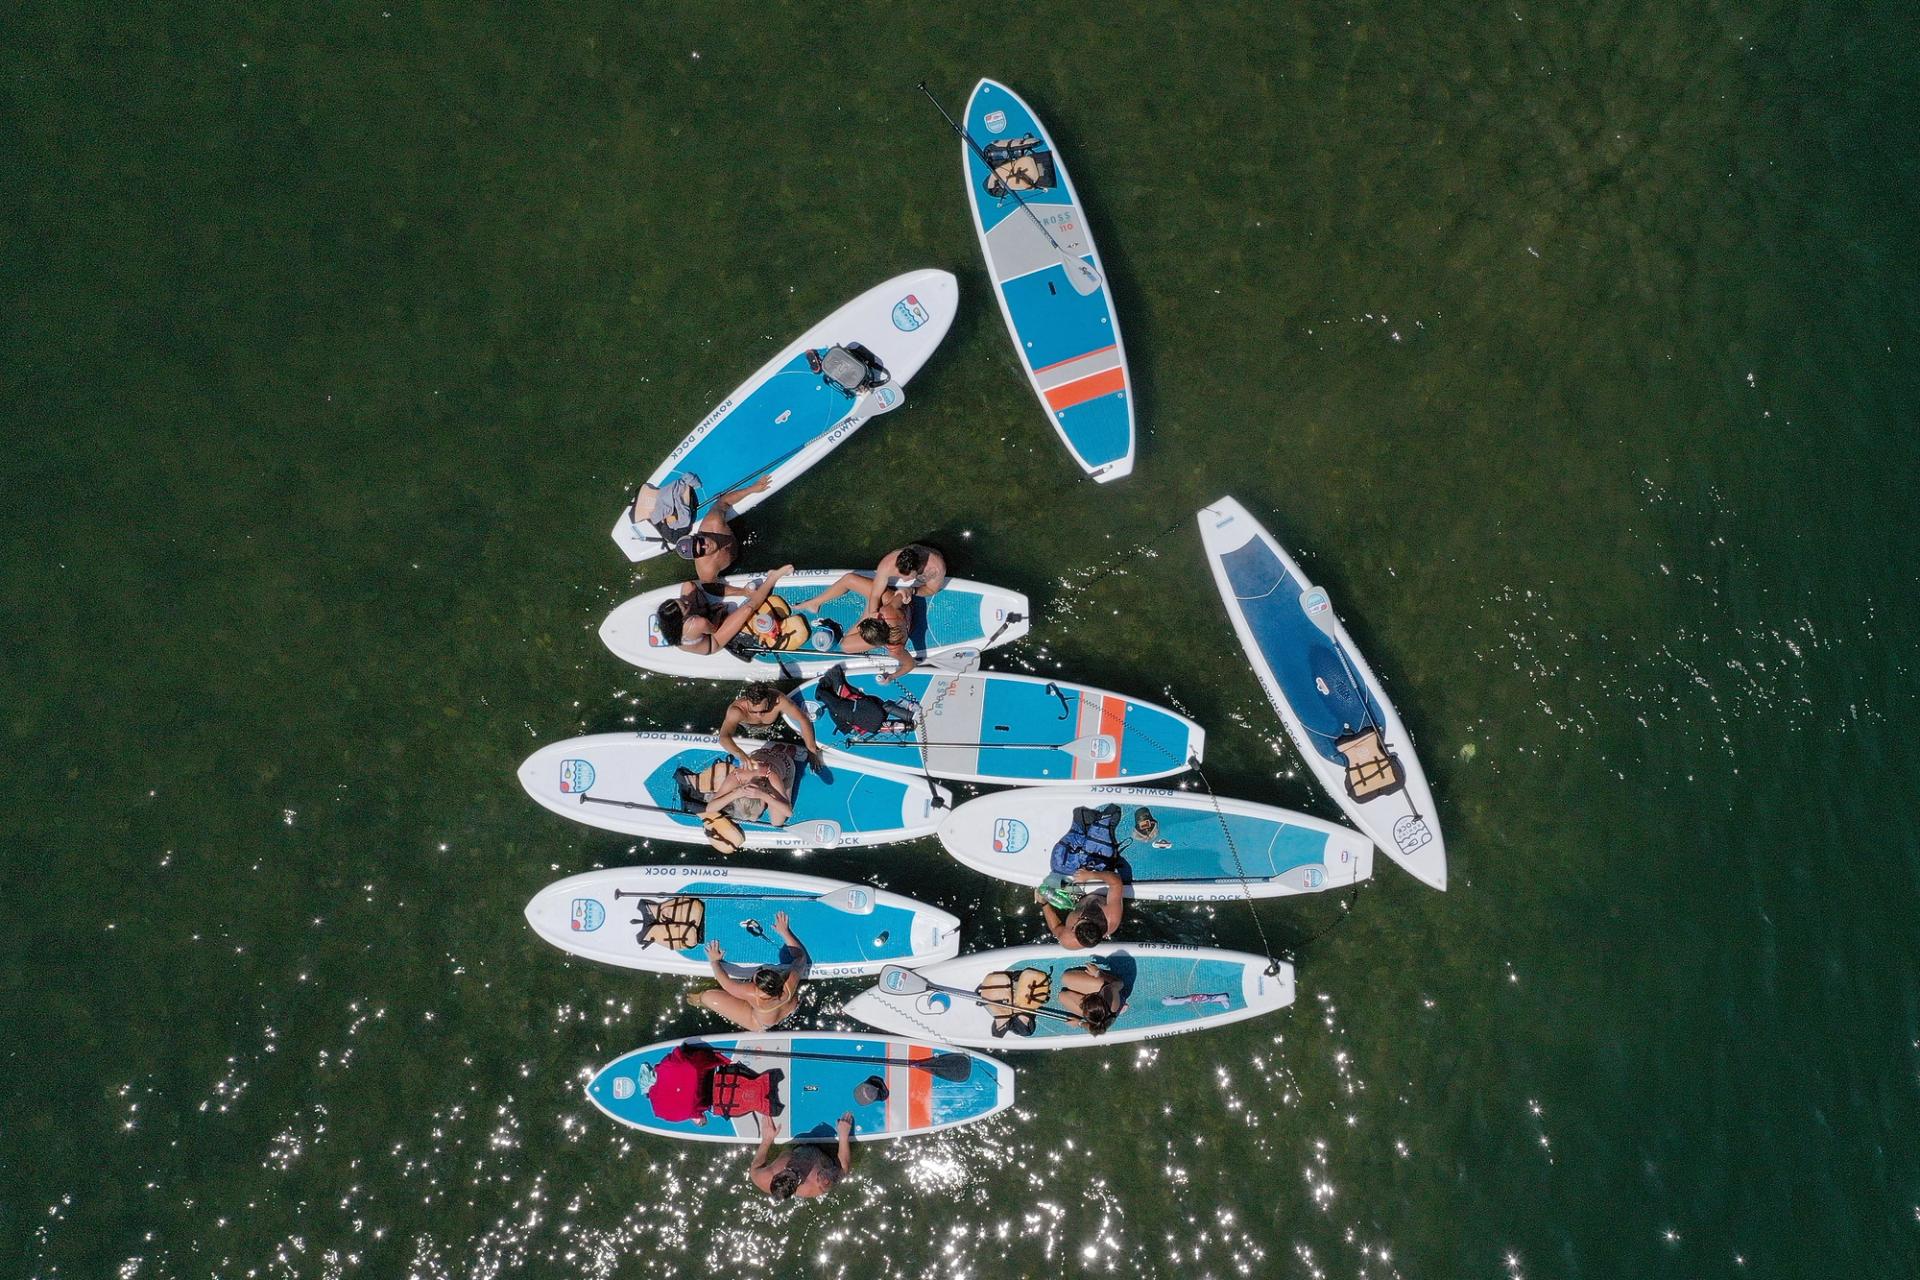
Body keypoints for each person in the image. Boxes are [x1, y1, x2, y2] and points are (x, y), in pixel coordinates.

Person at [628, 475, 769, 587]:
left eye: (700, 542)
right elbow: (712, 588)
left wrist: (752, 488)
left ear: (698, 535)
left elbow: (724, 501)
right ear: (698, 557)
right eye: (700, 550)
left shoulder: (713, 523)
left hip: (738, 535)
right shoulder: (707, 570)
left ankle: (659, 512)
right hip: (736, 561)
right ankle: (658, 515)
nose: (704, 546)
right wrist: (742, 593)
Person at [687, 910, 808, 1031]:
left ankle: (694, 999)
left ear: (757, 987)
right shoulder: (790, 980)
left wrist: (714, 961)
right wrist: (785, 932)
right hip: (789, 1010)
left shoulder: (752, 993)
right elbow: (800, 956)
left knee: (707, 997)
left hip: (759, 1022)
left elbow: (725, 983)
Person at [795, 573, 918, 683]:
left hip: (892, 620)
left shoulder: (895, 649)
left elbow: (910, 664)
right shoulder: (889, 612)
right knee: (849, 579)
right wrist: (906, 592)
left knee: (846, 646)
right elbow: (899, 593)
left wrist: (892, 676)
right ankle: (815, 603)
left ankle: (866, 613)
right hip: (892, 607)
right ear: (879, 618)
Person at [655, 565, 795, 655]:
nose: (686, 601)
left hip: (697, 625)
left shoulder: (669, 621)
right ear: (682, 619)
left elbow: (687, 592)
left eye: (681, 601)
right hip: (712, 641)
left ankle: (741, 593)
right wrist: (718, 613)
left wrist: (701, 608)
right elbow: (714, 628)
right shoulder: (698, 623)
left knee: (688, 586)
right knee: (747, 609)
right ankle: (773, 577)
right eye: (685, 606)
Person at [749, 1112, 854, 1201]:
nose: (794, 1169)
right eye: (795, 1175)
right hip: (823, 1152)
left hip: (797, 1147)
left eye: (788, 1170)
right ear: (796, 1188)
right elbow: (844, 1169)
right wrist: (843, 1135)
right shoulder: (819, 1183)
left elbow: (754, 1169)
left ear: (775, 1176)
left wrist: (767, 1140)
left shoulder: (762, 1178)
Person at [716, 683, 822, 768]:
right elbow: (723, 737)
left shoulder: (779, 700)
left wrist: (811, 750)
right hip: (750, 730)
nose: (759, 715)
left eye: (763, 710)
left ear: (769, 699)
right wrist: (741, 755)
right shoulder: (737, 711)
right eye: (754, 711)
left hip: (775, 725)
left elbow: (802, 719)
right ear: (747, 701)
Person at [699, 744, 799, 831]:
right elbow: (710, 808)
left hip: (785, 764)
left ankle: (788, 754)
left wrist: (765, 796)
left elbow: (788, 812)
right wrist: (735, 794)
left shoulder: (772, 778)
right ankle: (776, 749)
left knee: (777, 822)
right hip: (761, 756)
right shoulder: (737, 776)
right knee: (773, 807)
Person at [1039, 865, 1125, 951]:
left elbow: (1055, 927)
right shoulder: (1111, 916)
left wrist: (1044, 903)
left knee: (1046, 885)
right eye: (1083, 918)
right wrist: (1090, 875)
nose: (1077, 919)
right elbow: (1116, 881)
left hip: (1075, 902)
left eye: (1073, 927)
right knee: (1052, 879)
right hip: (1097, 894)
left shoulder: (1069, 940)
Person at [863, 543, 947, 619]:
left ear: (919, 568)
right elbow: (875, 594)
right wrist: (873, 614)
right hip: (912, 551)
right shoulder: (887, 564)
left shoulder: (935, 569)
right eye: (899, 575)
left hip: (935, 553)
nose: (903, 580)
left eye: (907, 577)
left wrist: (912, 590)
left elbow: (931, 590)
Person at [1057, 960, 1127, 1036]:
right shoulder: (1110, 995)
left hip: (1101, 1007)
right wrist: (1098, 973)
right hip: (1104, 991)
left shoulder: (1099, 1025)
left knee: (1062, 996)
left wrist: (1079, 1023)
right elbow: (1120, 983)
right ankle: (1121, 1005)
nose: (1082, 997)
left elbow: (1095, 1030)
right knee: (1065, 978)